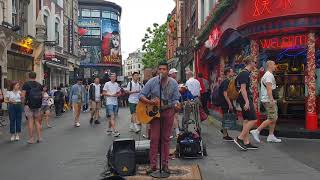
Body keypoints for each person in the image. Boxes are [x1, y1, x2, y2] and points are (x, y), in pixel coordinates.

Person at [139, 62, 180, 174]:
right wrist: (150, 101)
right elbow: (141, 95)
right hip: (155, 113)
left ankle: (165, 165)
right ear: (157, 71)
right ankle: (152, 165)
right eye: (160, 69)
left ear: (168, 71)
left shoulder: (174, 83)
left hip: (168, 112)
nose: (162, 71)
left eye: (164, 69)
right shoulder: (152, 82)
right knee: (154, 139)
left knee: (166, 139)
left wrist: (177, 105)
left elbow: (176, 99)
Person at [250, 60, 282, 143]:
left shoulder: (268, 75)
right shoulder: (268, 75)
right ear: (270, 65)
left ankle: (271, 135)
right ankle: (256, 131)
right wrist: (271, 100)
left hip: (268, 99)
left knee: (273, 118)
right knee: (272, 117)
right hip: (268, 100)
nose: (275, 66)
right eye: (274, 64)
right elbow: (269, 89)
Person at [233, 56, 258, 150]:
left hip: (244, 97)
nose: (255, 64)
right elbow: (243, 89)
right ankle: (240, 138)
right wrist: (247, 101)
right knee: (253, 119)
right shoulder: (244, 73)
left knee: (246, 120)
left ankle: (246, 142)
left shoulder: (245, 73)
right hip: (245, 98)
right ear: (250, 62)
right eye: (254, 62)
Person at [21, 71, 43, 144]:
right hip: (37, 105)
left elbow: (23, 96)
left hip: (28, 105)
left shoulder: (26, 84)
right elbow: (42, 96)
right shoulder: (39, 85)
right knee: (37, 121)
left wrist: (23, 103)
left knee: (30, 121)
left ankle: (31, 139)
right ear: (35, 77)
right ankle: (39, 138)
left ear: (29, 76)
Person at [219, 68, 235, 141]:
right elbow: (225, 94)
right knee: (226, 117)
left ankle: (224, 130)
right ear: (228, 73)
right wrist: (230, 104)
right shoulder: (226, 81)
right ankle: (225, 135)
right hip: (225, 102)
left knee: (226, 117)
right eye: (232, 71)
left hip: (225, 101)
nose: (233, 72)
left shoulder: (228, 81)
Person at [103, 73, 121, 137]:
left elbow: (119, 93)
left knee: (112, 117)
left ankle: (108, 129)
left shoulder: (117, 84)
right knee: (112, 117)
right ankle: (114, 131)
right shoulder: (107, 84)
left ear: (116, 78)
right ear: (110, 78)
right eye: (112, 77)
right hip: (109, 102)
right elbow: (104, 93)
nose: (113, 78)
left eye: (114, 77)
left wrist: (117, 95)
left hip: (115, 103)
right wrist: (110, 95)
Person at [169, 68, 180, 137]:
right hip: (172, 101)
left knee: (174, 117)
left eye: (176, 73)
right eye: (175, 73)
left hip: (174, 101)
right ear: (171, 74)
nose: (176, 74)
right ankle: (176, 131)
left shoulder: (173, 80)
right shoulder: (170, 81)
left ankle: (175, 131)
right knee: (173, 117)